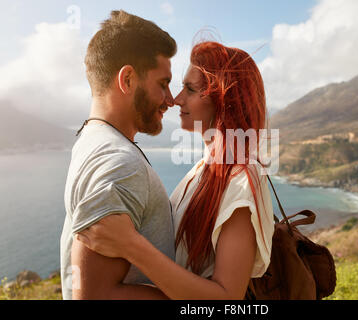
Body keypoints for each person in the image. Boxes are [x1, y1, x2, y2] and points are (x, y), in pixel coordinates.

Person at [76, 41, 275, 299]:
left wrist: (130, 245)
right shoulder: (203, 170)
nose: (176, 99)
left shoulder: (242, 181)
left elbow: (227, 299)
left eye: (190, 89)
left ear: (224, 101)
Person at [60, 10, 178, 299]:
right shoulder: (119, 162)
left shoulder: (91, 140)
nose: (171, 100)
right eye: (163, 84)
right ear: (127, 79)